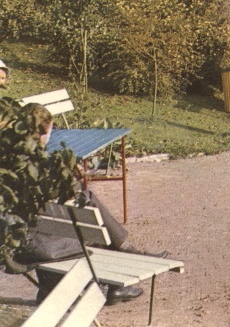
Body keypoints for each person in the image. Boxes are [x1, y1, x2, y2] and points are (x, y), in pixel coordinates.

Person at [13, 103, 156, 306]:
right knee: (92, 228)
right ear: (43, 130)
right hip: (32, 248)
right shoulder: (38, 163)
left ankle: (118, 268)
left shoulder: (11, 158)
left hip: (11, 244)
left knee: (87, 220)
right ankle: (120, 267)